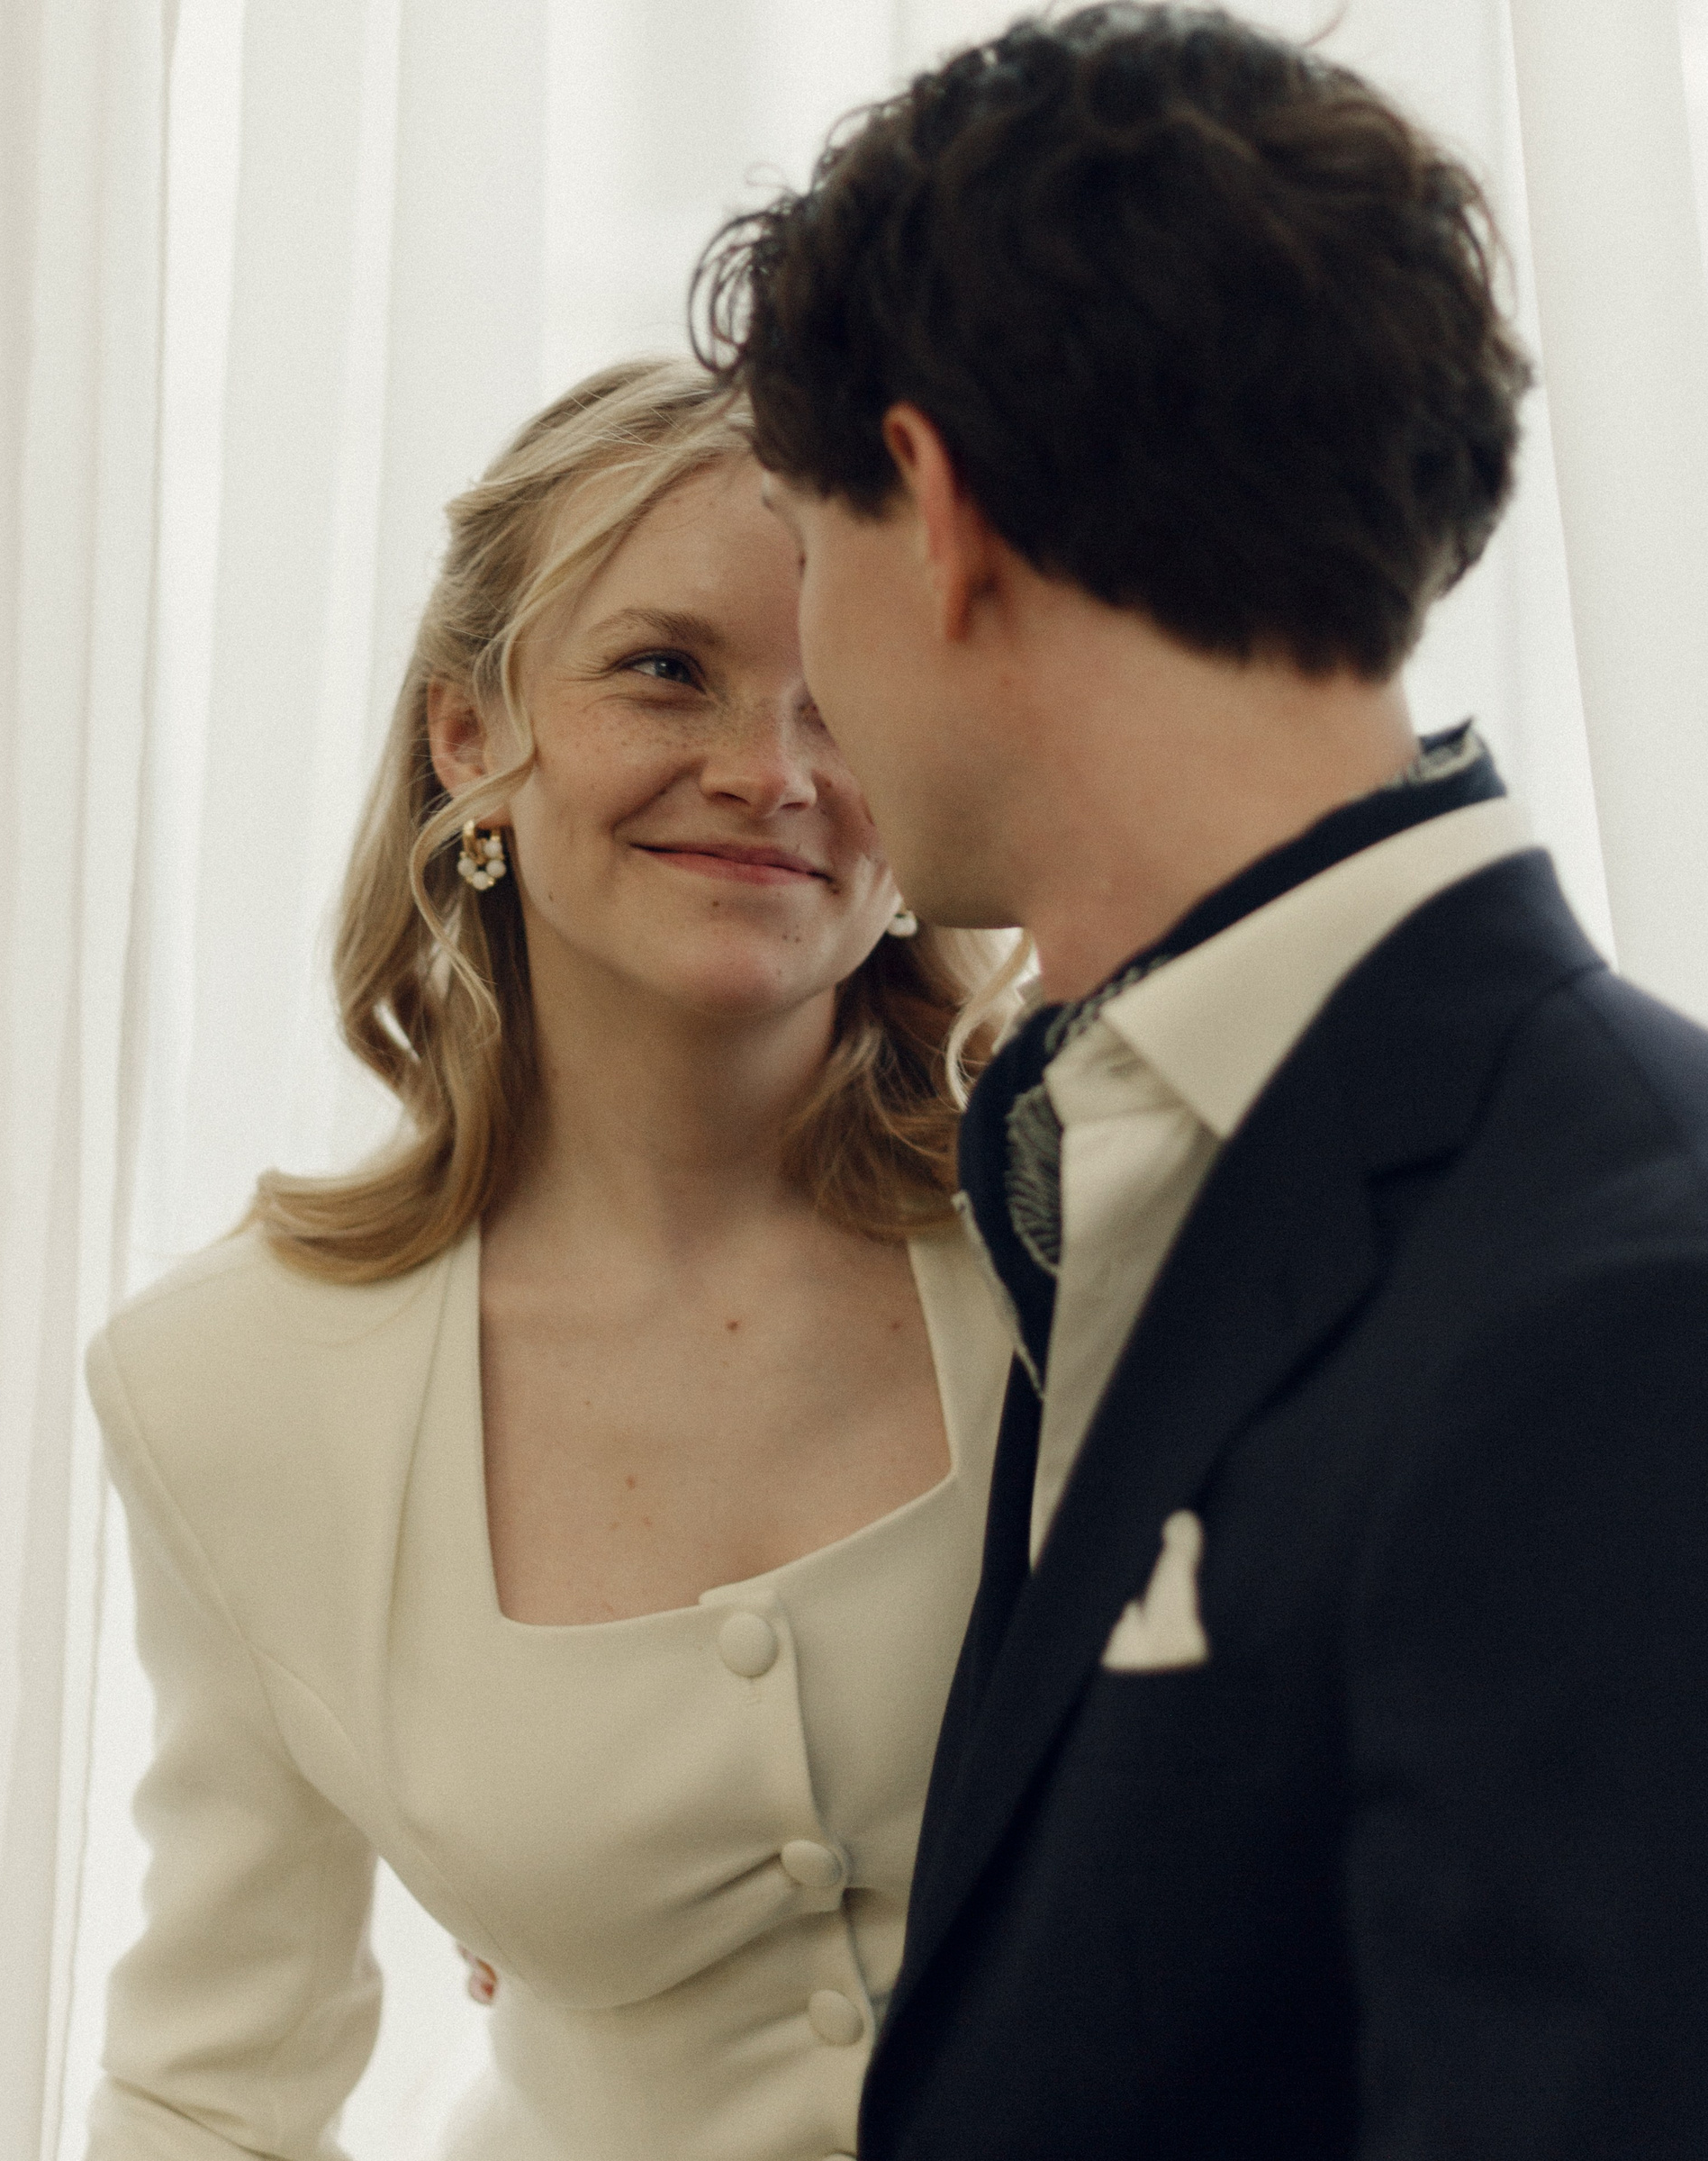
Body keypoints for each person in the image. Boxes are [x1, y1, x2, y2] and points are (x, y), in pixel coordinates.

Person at [694, 5, 1708, 2156]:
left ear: (937, 515)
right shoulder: (1109, 1160)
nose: (807, 688)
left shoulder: (1625, 1304)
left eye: (801, 540)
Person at [85, 356, 1020, 2161]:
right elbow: (210, 2090)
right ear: (467, 738)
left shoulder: (1093, 1231)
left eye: (848, 699)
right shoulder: (230, 1385)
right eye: (665, 669)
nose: (770, 773)